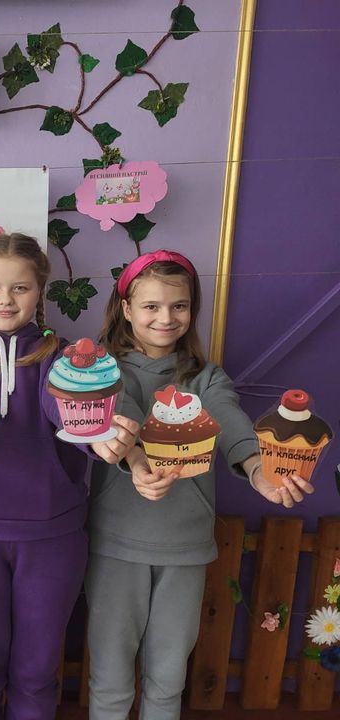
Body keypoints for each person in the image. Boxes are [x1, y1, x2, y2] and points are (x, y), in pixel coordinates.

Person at [0, 233, 137, 720]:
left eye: (20, 287)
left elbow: (68, 410)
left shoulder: (65, 360)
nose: (5, 300)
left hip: (51, 539)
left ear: (39, 291)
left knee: (36, 674)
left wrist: (101, 440)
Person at [86, 249, 313, 720]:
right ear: (126, 308)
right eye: (151, 306)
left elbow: (230, 420)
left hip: (186, 547)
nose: (166, 318)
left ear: (193, 309)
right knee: (109, 680)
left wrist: (258, 469)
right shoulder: (102, 369)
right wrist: (135, 459)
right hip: (115, 545)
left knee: (168, 679)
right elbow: (118, 410)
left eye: (179, 306)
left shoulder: (207, 378)